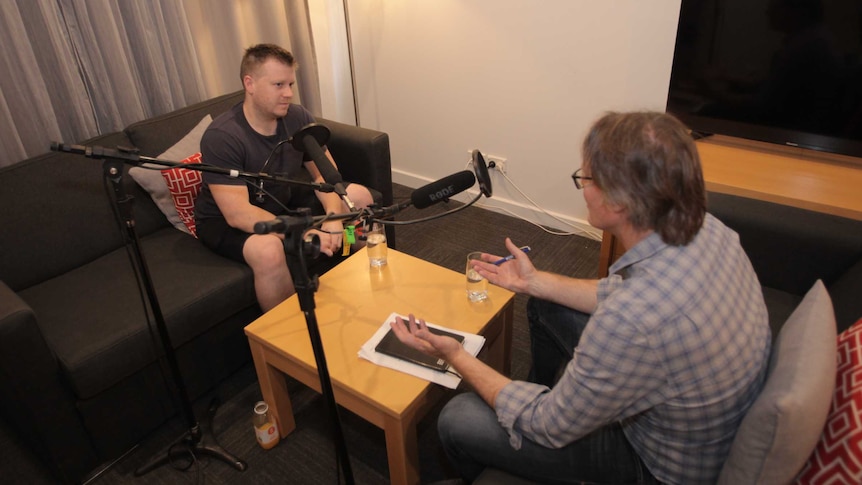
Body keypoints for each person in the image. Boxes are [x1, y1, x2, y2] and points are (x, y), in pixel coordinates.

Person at [390, 112, 771, 484]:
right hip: (695, 422)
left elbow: (548, 426)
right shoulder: (708, 230)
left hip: (656, 465)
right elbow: (617, 291)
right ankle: (548, 394)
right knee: (546, 304)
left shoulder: (632, 321)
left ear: (619, 201)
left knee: (458, 418)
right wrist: (533, 282)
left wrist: (454, 354)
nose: (582, 187)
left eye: (585, 177)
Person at [195, 44, 373, 312]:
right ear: (250, 83)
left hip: (279, 202)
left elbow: (325, 177)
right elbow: (238, 214)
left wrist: (334, 218)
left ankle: (353, 269)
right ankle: (291, 334)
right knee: (268, 251)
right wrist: (300, 231)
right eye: (278, 84)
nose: (288, 93)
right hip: (225, 221)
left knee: (358, 198)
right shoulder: (222, 136)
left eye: (290, 83)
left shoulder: (298, 117)